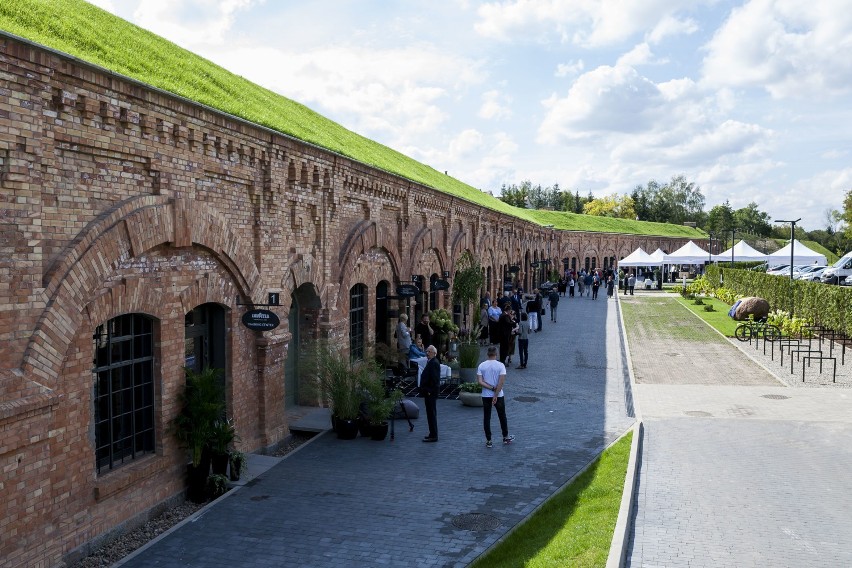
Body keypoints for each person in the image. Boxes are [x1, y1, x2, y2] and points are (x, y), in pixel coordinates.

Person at [477, 346, 514, 448]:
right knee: (502, 416)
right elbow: (501, 382)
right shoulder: (501, 365)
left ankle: (489, 440)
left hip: (485, 395)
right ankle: (505, 436)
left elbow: (480, 382)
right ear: (496, 353)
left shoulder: (481, 366)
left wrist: (491, 388)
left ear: (487, 354)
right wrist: (496, 394)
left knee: (487, 417)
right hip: (499, 395)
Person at [420, 345, 440, 442]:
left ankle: (434, 435)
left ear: (434, 353)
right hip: (428, 392)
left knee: (431, 414)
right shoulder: (430, 362)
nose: (427, 353)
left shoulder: (434, 363)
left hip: (430, 393)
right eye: (427, 351)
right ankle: (432, 433)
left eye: (429, 352)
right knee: (429, 414)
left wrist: (429, 391)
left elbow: (435, 380)